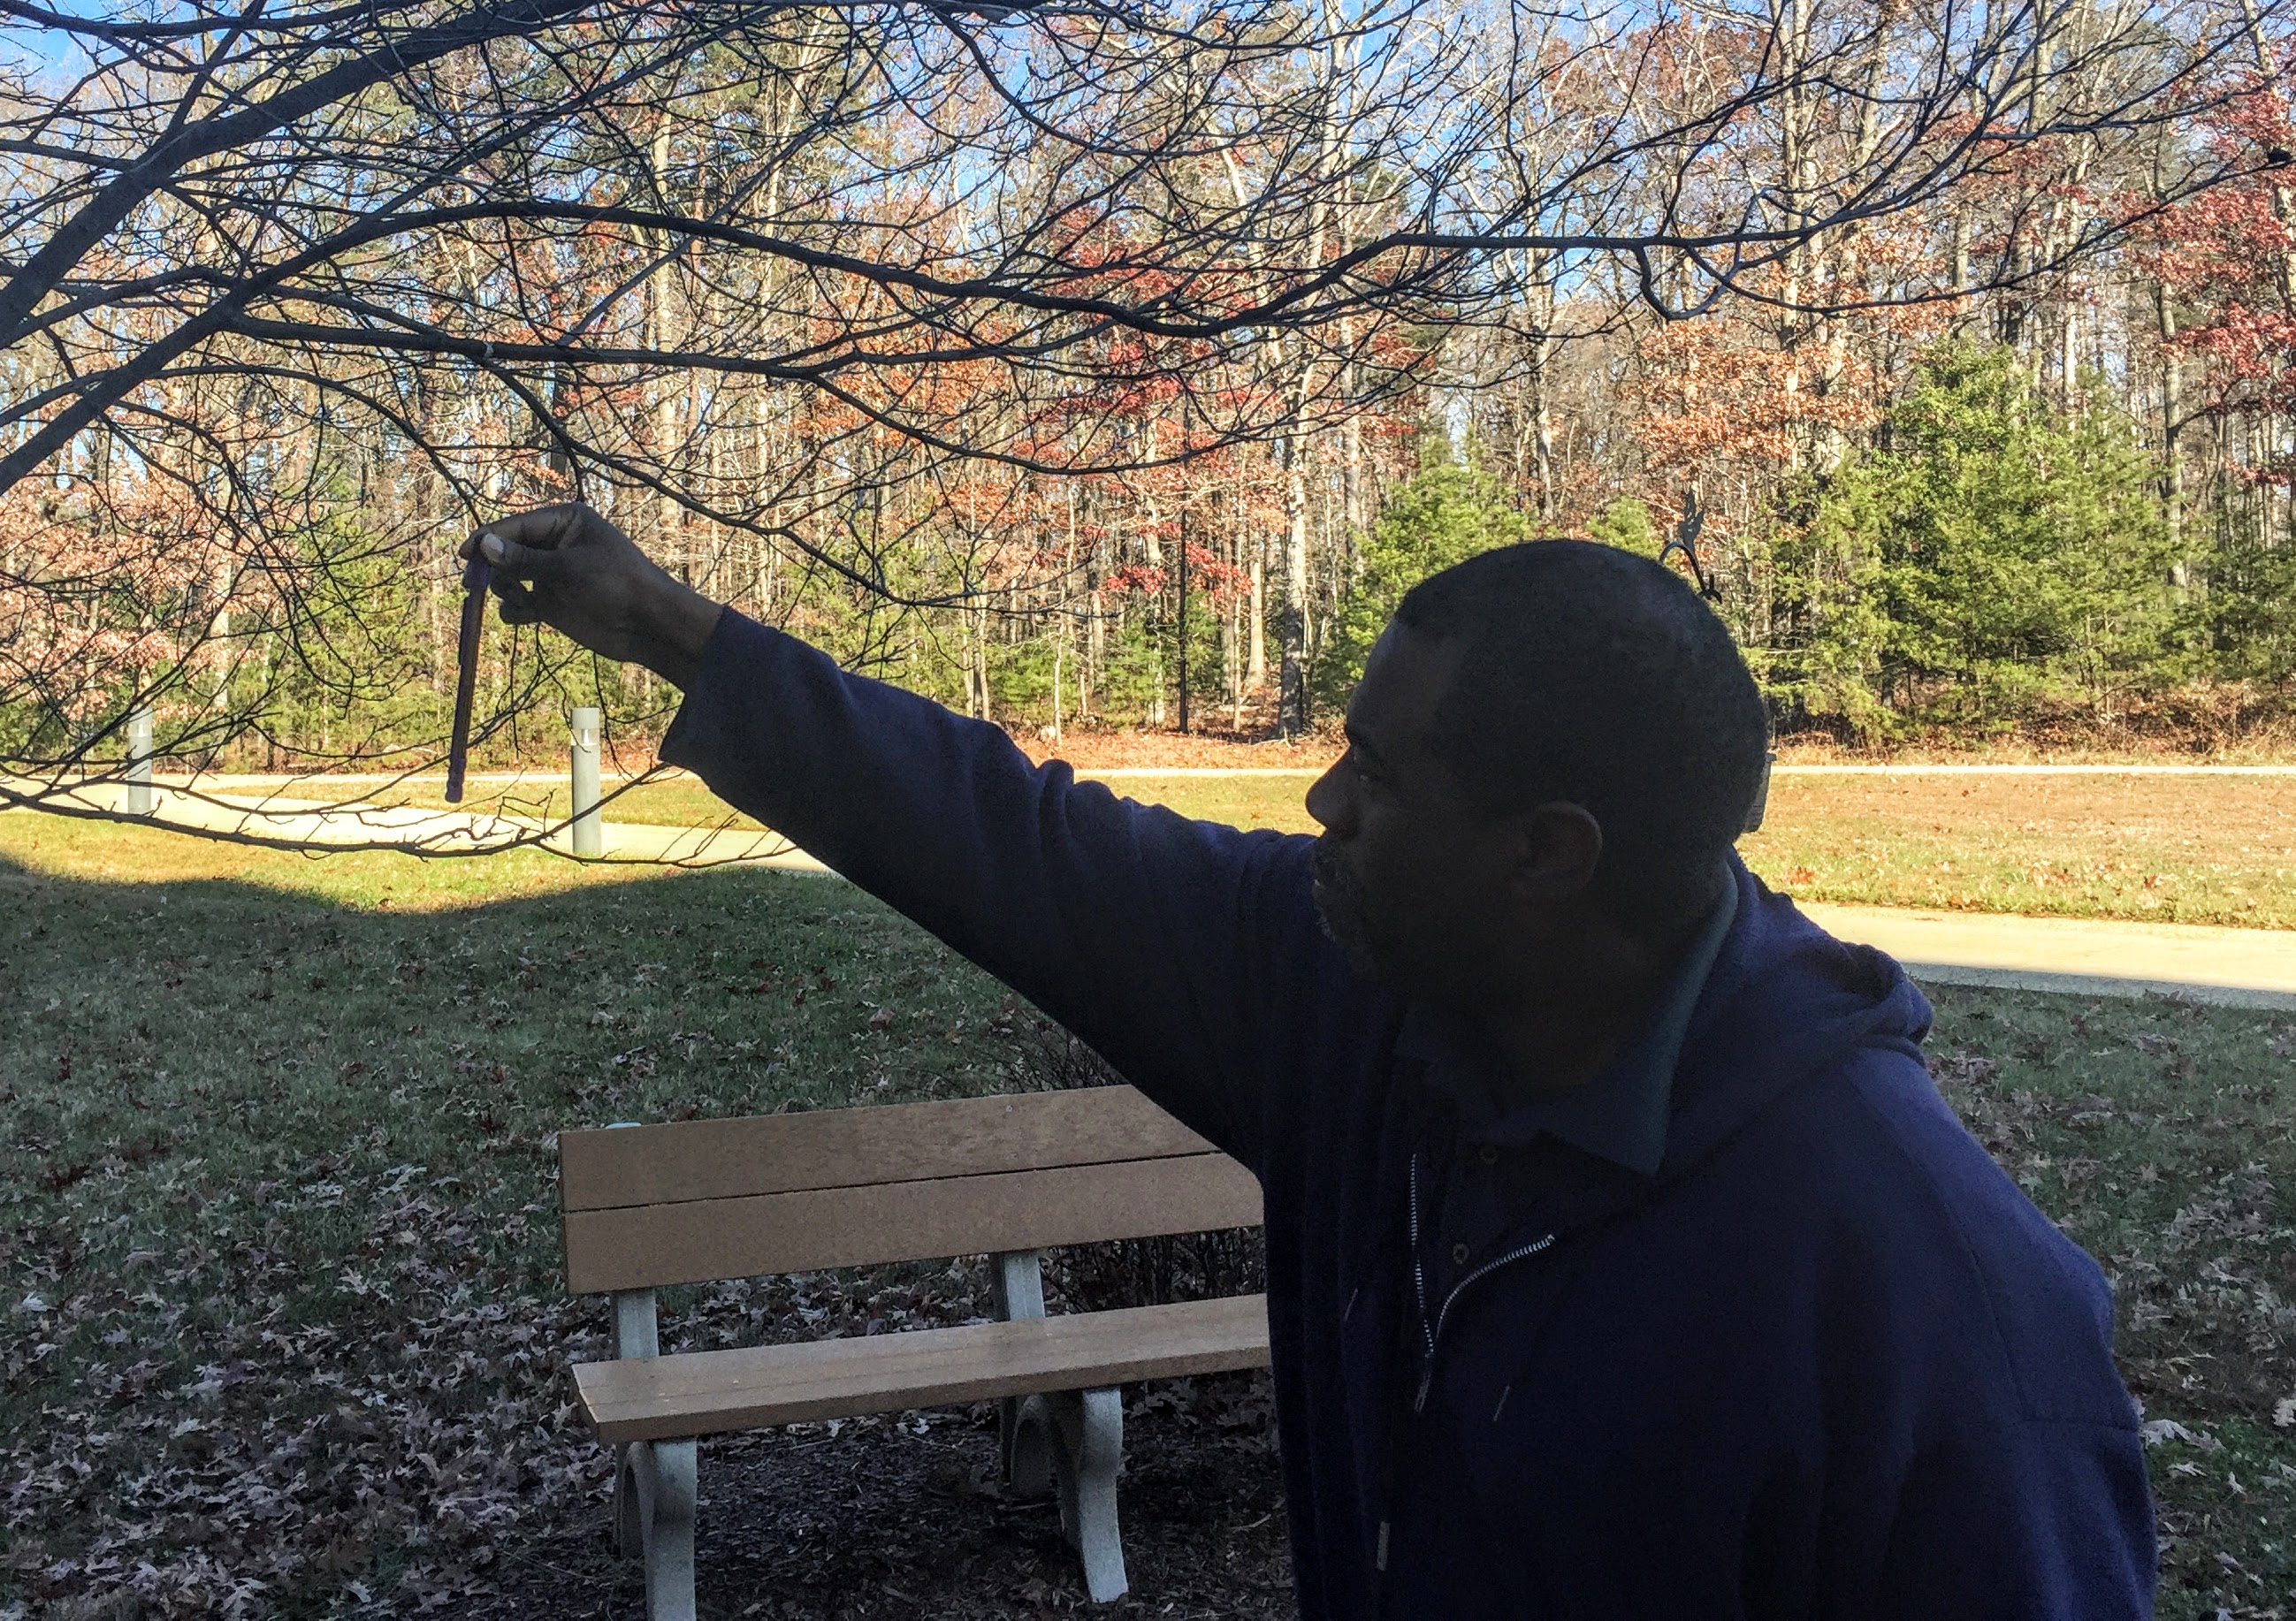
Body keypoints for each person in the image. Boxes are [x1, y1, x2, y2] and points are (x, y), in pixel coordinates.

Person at [469, 505, 2154, 1618]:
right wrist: (682, 633)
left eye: (1380, 774)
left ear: (1545, 851)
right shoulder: (1362, 1008)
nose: (1323, 808)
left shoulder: (1934, 1312)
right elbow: (1025, 845)